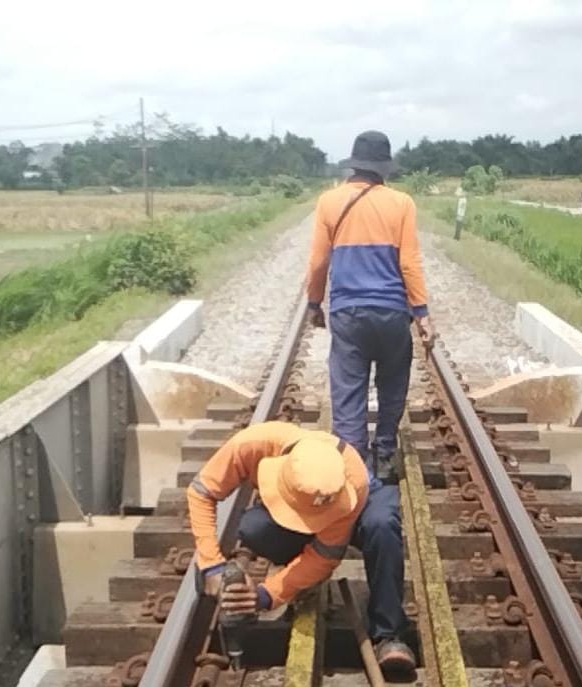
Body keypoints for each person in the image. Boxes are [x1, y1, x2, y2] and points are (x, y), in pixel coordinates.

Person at [188, 421, 416, 673]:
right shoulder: (251, 444)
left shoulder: (353, 480)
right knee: (255, 528)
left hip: (360, 508)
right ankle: (301, 579)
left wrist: (266, 595)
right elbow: (201, 492)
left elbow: (325, 556)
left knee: (382, 526)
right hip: (322, 509)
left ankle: (388, 632)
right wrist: (211, 565)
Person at [304, 130, 433, 481]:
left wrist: (314, 303)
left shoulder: (329, 202)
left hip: (348, 312)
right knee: (392, 383)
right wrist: (421, 313)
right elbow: (409, 263)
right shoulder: (402, 203)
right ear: (385, 168)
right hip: (392, 312)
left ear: (354, 164)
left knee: (348, 386)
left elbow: (318, 262)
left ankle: (353, 466)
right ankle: (385, 453)